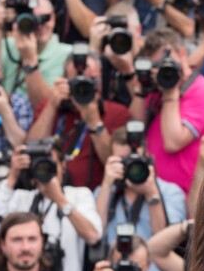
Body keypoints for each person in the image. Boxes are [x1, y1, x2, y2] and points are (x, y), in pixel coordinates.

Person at [0, 140, 103, 271]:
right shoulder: (21, 197)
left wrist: (60, 200)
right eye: (39, 164)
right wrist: (12, 176)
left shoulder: (79, 195)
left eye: (51, 164)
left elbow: (93, 236)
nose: (45, 170)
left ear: (63, 166)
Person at [130, 27, 204, 194]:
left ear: (182, 54)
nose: (164, 70)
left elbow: (173, 142)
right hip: (158, 194)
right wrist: (142, 85)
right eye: (156, 66)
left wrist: (170, 93)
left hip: (191, 197)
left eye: (167, 62)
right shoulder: (157, 90)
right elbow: (136, 124)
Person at [95, 128, 187, 271]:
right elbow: (95, 234)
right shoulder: (103, 192)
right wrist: (107, 184)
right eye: (123, 161)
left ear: (148, 159)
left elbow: (165, 242)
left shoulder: (170, 192)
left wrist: (151, 192)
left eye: (135, 159)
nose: (130, 166)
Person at [27, 47, 130, 190]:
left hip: (94, 198)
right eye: (77, 81)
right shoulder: (50, 105)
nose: (83, 88)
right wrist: (51, 105)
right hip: (49, 191)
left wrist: (95, 122)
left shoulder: (117, 113)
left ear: (100, 80)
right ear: (65, 80)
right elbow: (31, 147)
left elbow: (116, 166)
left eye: (91, 81)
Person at [0, 0, 73, 110]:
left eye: (45, 18)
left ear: (53, 19)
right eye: (32, 19)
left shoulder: (68, 54)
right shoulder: (8, 44)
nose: (39, 26)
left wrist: (30, 60)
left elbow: (45, 108)